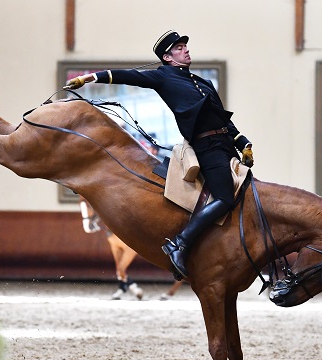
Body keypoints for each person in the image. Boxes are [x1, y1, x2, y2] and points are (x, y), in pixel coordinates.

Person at [65, 30, 253, 279]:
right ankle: (180, 244)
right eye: (179, 48)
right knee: (225, 198)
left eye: (185, 46)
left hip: (225, 146)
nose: (186, 49)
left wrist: (244, 143)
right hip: (206, 148)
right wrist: (91, 77)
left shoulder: (203, 83)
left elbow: (223, 120)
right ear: (168, 57)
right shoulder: (163, 77)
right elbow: (129, 76)